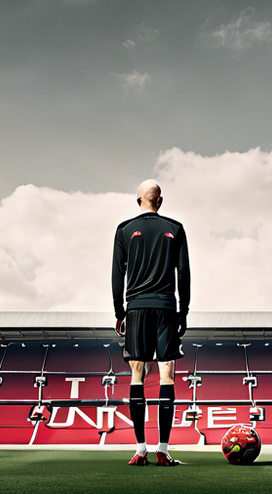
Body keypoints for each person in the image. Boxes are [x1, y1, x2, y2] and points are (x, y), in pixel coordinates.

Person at [112, 179, 190, 466]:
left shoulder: (124, 230)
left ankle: (140, 448)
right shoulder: (176, 228)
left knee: (137, 375)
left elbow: (116, 275)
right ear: (160, 201)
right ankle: (163, 449)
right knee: (167, 374)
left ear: (138, 200)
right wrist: (184, 311)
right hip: (166, 307)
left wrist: (120, 312)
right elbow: (184, 274)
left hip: (136, 309)